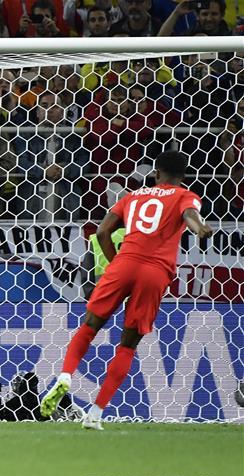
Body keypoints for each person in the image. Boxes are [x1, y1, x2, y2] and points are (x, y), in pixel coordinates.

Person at [40, 151, 213, 430]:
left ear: (156, 173)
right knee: (128, 344)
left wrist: (114, 264)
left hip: (124, 264)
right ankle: (95, 414)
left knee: (89, 326)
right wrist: (199, 228)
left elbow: (101, 232)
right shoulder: (185, 195)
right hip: (154, 273)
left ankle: (66, 376)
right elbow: (191, 215)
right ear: (182, 177)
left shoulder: (131, 197)